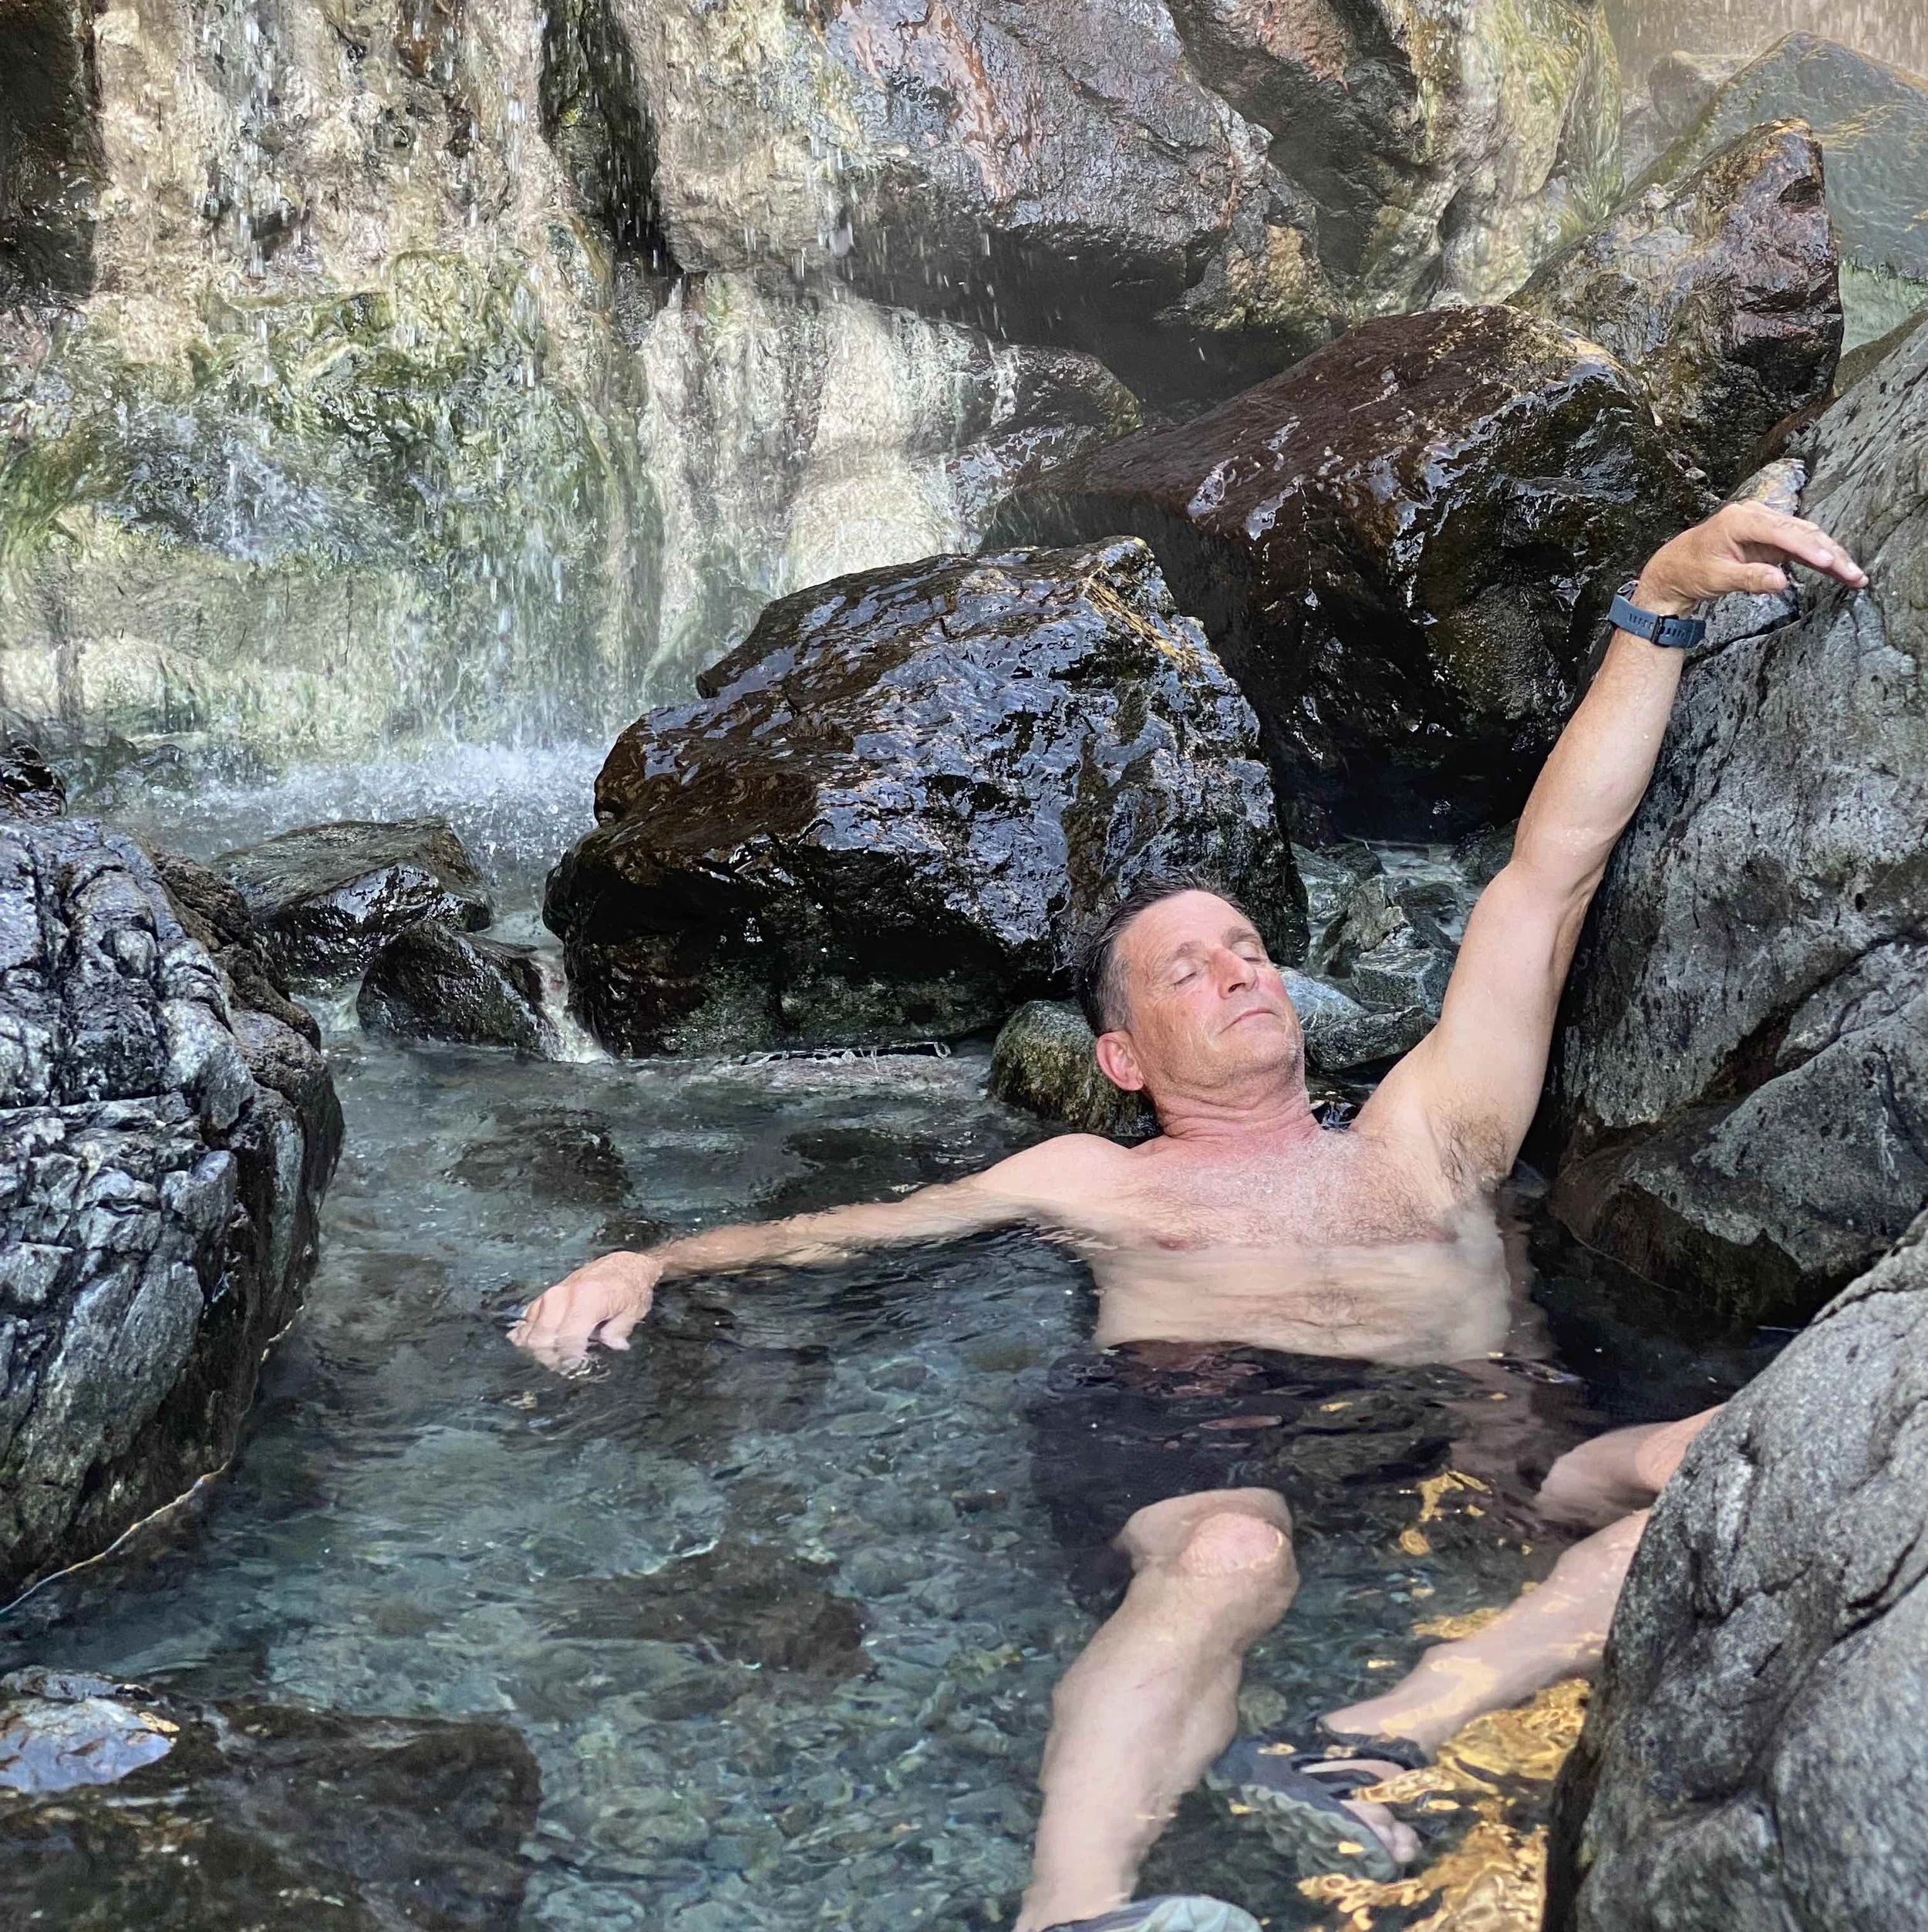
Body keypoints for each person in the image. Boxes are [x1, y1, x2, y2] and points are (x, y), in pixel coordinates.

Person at [511, 501, 1866, 1932]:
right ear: (1121, 1060)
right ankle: (1077, 1912)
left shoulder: (1434, 1124)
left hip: (1466, 1418)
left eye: (1249, 948)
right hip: (1199, 1415)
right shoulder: (1090, 1179)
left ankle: (1401, 1718)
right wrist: (645, 1257)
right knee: (1229, 1558)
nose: (1239, 973)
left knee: (1744, 1464)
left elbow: (1550, 875)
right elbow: (836, 1234)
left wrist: (1657, 604)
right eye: (1186, 970)